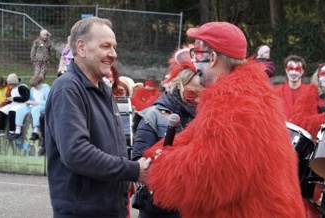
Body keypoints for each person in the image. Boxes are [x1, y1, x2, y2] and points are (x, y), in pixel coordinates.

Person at [140, 22, 305, 217]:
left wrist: (156, 169)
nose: (194, 61)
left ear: (213, 58)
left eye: (197, 54)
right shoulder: (242, 93)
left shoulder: (234, 100)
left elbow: (206, 177)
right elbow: (194, 136)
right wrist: (154, 154)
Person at [45, 17, 151, 217]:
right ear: (82, 48)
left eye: (114, 47)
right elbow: (77, 153)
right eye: (105, 46)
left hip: (112, 209)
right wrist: (133, 170)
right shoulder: (67, 89)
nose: (113, 54)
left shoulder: (103, 88)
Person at [132, 46, 204, 218]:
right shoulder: (154, 115)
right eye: (192, 93)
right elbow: (139, 164)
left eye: (205, 94)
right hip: (159, 208)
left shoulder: (208, 116)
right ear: (177, 85)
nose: (199, 100)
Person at [289, 62, 325, 217]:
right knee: (309, 202)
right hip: (315, 154)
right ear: (318, 78)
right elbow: (298, 121)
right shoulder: (309, 96)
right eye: (323, 74)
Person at [11, 75, 50, 140]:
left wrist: (39, 103)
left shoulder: (46, 89)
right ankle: (18, 130)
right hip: (33, 105)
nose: (34, 88)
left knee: (35, 110)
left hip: (42, 105)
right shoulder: (33, 89)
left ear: (40, 83)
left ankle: (36, 131)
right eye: (33, 86)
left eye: (36, 86)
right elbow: (31, 99)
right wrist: (29, 102)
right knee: (20, 110)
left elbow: (49, 102)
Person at [274, 55, 311, 119]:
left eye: (297, 69)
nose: (294, 72)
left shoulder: (310, 91)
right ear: (286, 70)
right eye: (291, 68)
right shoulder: (276, 91)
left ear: (302, 71)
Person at [0, 73, 30, 139]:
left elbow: (25, 98)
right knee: (1, 111)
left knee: (12, 111)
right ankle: (1, 129)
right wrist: (8, 100)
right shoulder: (13, 87)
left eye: (11, 84)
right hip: (14, 103)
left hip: (22, 104)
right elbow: (13, 97)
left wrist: (13, 99)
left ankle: (12, 131)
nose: (10, 86)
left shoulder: (22, 87)